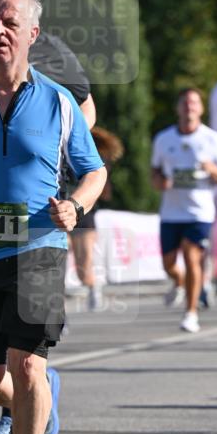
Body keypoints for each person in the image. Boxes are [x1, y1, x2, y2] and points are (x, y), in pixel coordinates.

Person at [0, 0, 106, 434]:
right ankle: (41, 402)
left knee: (27, 363)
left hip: (39, 247)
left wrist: (75, 208)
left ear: (32, 35)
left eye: (9, 22)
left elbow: (94, 170)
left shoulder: (58, 100)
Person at [151, 87, 217, 332]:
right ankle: (181, 282)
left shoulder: (212, 139)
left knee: (191, 254)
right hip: (171, 212)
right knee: (168, 264)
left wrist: (211, 169)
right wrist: (160, 182)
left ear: (201, 108)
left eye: (194, 103)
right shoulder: (164, 139)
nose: (189, 107)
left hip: (200, 212)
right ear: (178, 108)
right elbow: (155, 172)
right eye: (185, 103)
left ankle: (191, 313)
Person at [68, 127, 124, 310]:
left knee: (82, 266)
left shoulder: (95, 154)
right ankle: (56, 311)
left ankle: (93, 287)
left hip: (84, 213)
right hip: (56, 210)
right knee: (54, 262)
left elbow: (104, 190)